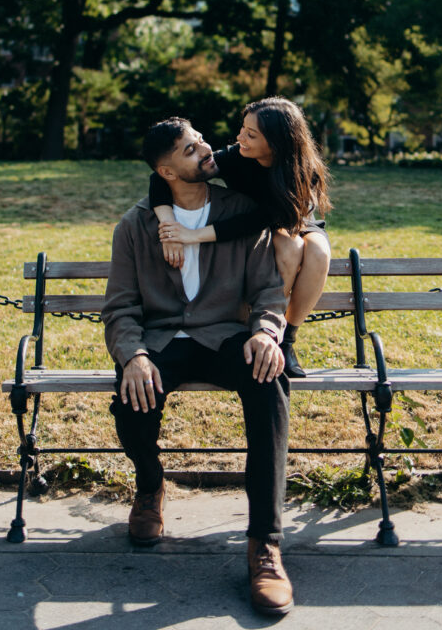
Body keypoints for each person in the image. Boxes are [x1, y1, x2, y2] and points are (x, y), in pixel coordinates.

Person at [103, 117, 293, 617]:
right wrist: (135, 355)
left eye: (201, 141)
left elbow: (269, 291)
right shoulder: (136, 225)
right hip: (163, 337)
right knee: (131, 395)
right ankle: (150, 485)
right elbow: (121, 307)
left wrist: (266, 333)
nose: (207, 150)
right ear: (167, 171)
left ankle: (265, 545)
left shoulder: (241, 212)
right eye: (191, 150)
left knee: (270, 382)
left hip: (224, 336)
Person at [150, 97, 331, 378]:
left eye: (250, 134)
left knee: (318, 250)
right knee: (290, 248)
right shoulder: (237, 158)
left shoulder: (303, 169)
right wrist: (169, 226)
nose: (239, 138)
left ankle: (288, 338)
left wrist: (196, 235)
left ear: (276, 141)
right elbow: (160, 176)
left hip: (290, 220)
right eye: (242, 129)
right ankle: (268, 329)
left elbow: (264, 219)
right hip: (261, 230)